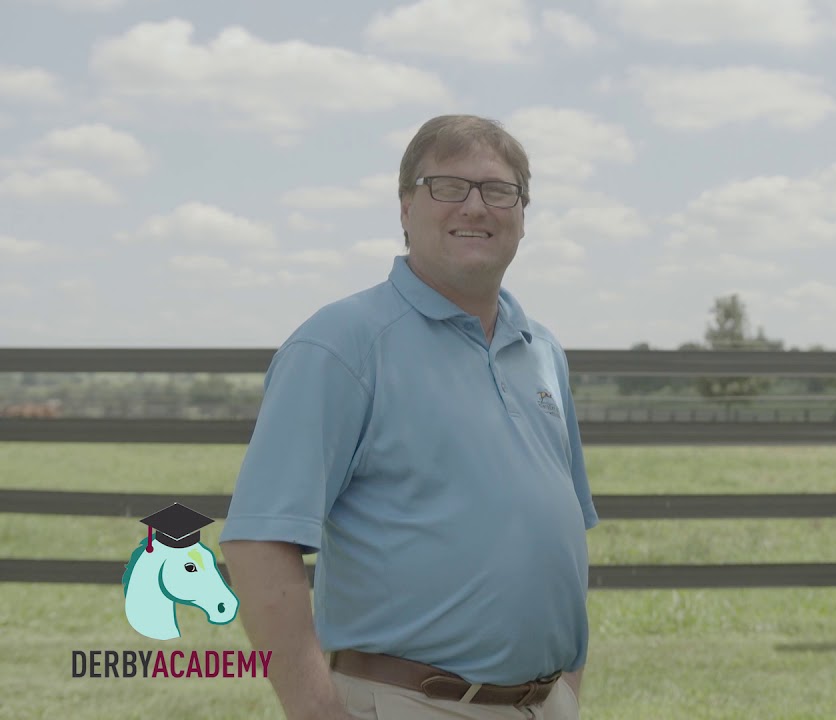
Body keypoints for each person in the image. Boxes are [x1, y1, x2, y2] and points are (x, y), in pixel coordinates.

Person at [220, 115, 597, 720]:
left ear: (522, 214)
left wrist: (566, 694)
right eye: (448, 186)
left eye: (499, 191)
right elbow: (257, 544)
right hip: (411, 702)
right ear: (404, 207)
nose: (475, 206)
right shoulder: (341, 346)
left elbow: (564, 532)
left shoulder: (542, 352)